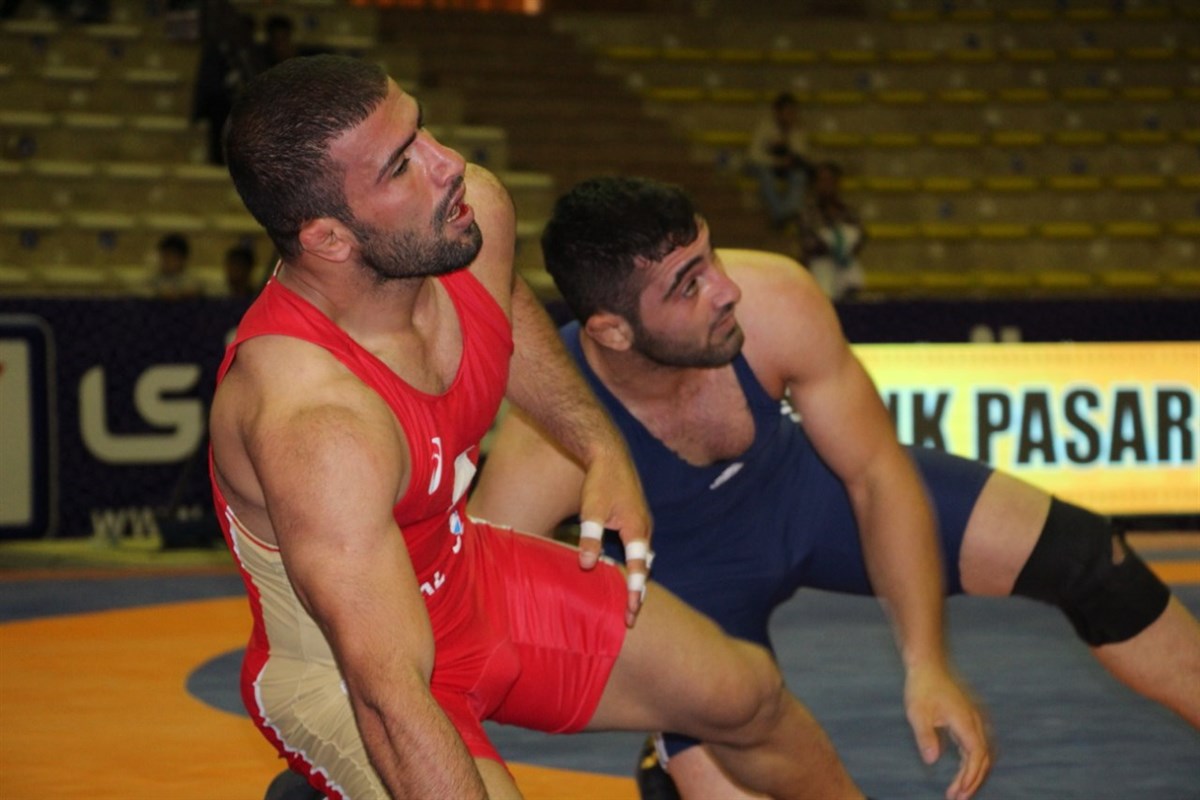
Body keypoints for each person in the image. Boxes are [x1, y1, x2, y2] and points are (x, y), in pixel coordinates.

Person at [209, 54, 924, 800]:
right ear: (329, 239)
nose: (448, 165)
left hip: (469, 581)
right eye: (400, 166)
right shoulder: (316, 420)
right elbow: (388, 700)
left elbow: (503, 305)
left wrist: (597, 444)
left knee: (747, 696)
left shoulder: (465, 219)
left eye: (423, 130)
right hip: (350, 668)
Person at [469, 176, 1200, 799]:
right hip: (684, 584)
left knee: (1086, 557)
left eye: (710, 255)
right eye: (688, 284)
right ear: (613, 331)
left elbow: (876, 476)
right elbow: (473, 627)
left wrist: (926, 661)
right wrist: (659, 691)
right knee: (732, 756)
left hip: (805, 496)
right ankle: (673, 763)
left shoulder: (774, 301)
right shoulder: (550, 440)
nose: (725, 289)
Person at [798, 161, 866, 302]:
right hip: (820, 268)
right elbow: (807, 242)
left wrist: (845, 249)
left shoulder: (847, 211)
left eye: (830, 180)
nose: (826, 185)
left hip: (845, 267)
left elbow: (861, 236)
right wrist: (833, 247)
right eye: (822, 180)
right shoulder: (809, 212)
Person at [745, 91, 812, 229]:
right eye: (787, 112)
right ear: (777, 112)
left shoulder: (798, 130)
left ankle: (784, 213)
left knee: (799, 176)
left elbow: (802, 155)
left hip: (787, 168)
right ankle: (781, 214)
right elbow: (754, 155)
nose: (791, 116)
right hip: (765, 166)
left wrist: (788, 146)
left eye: (793, 112)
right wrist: (776, 160)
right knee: (766, 176)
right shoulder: (765, 127)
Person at [148, 232, 203, 299]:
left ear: (182, 259)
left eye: (172, 257)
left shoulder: (193, 281)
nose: (167, 261)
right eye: (165, 256)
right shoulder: (153, 280)